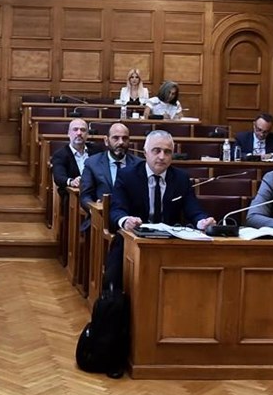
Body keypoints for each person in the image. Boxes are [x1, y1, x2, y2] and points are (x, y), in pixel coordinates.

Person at [107, 131, 215, 285]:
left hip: (170, 240)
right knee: (118, 255)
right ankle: (116, 296)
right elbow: (117, 209)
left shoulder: (181, 178)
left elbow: (193, 209)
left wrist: (202, 221)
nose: (162, 157)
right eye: (156, 151)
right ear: (145, 153)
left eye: (167, 152)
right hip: (135, 237)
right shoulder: (127, 175)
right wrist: (125, 220)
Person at [80, 122, 140, 232]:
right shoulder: (92, 163)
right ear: (106, 141)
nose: (121, 142)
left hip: (131, 221)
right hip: (101, 218)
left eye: (125, 138)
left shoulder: (139, 165)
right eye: (116, 138)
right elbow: (85, 196)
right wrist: (94, 207)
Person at [50, 118, 95, 195]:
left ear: (87, 134)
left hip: (95, 193)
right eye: (75, 129)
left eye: (83, 130)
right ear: (68, 133)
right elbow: (59, 177)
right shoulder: (60, 155)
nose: (79, 133)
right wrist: (71, 181)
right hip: (72, 195)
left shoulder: (96, 151)